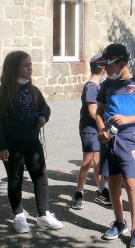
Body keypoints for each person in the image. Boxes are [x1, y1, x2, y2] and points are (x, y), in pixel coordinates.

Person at [95, 43, 135, 248]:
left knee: (131, 183)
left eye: (108, 66)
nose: (105, 70)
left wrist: (128, 120)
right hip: (109, 139)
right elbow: (99, 112)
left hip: (129, 138)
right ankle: (120, 222)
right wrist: (102, 130)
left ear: (120, 64)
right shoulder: (106, 85)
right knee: (113, 181)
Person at [0, 51, 62, 233]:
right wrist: (1, 146)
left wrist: (43, 116)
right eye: (25, 65)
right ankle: (18, 216)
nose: (30, 68)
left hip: (32, 142)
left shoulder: (33, 90)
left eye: (30, 64)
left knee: (40, 177)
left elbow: (45, 108)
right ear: (14, 68)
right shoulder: (3, 93)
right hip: (12, 145)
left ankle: (43, 215)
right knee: (15, 179)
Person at [72, 54, 110, 210]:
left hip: (96, 129)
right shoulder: (92, 87)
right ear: (103, 71)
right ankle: (78, 193)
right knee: (87, 162)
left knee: (98, 161)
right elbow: (92, 111)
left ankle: (101, 189)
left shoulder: (97, 86)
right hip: (90, 129)